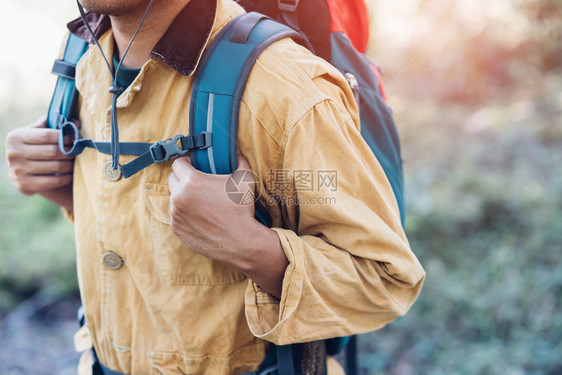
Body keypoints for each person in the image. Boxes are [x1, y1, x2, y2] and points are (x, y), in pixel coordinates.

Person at [5, 0, 425, 373]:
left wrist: (251, 247)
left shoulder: (280, 86)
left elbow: (384, 280)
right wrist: (57, 184)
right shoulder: (81, 56)